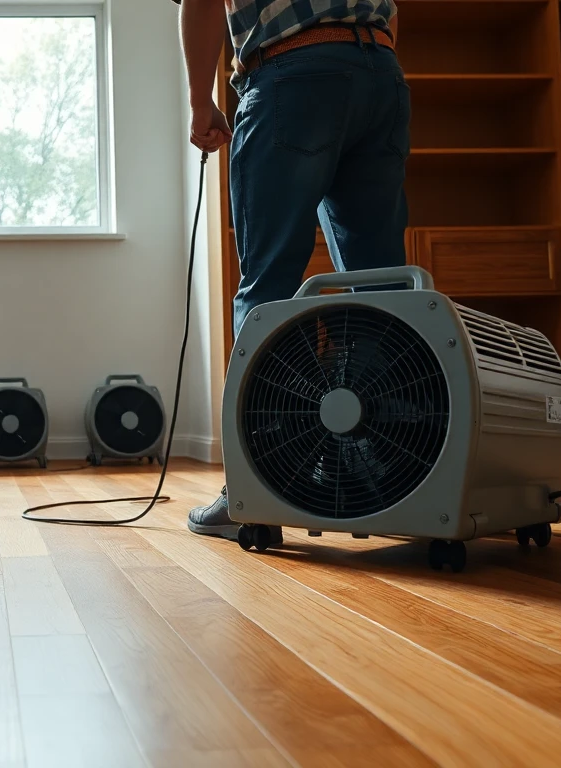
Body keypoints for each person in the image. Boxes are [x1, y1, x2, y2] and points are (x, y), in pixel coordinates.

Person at [177, 0, 408, 539]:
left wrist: (199, 101)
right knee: (382, 288)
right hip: (382, 73)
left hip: (293, 72)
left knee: (270, 287)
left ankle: (265, 488)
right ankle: (388, 477)